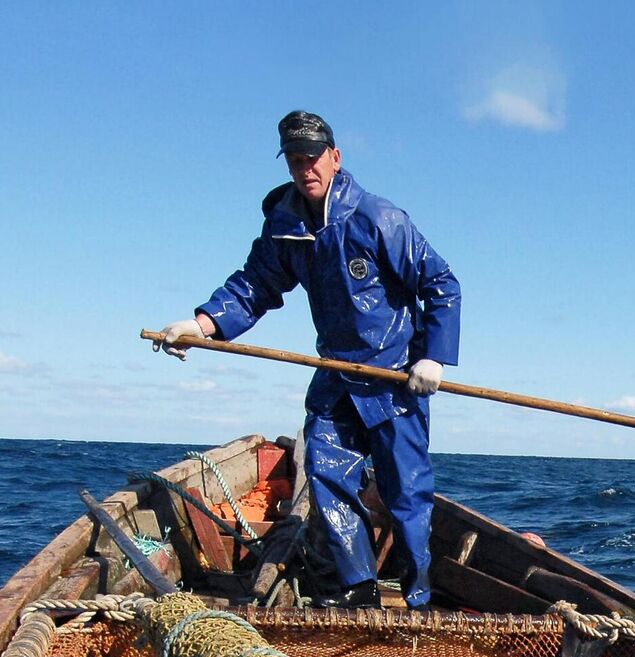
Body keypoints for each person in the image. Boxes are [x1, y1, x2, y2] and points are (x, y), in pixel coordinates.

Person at [160, 110, 460, 608]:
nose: (305, 170)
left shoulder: (381, 219)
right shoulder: (285, 222)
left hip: (393, 378)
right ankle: (359, 593)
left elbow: (442, 286)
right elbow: (255, 284)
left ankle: (419, 598)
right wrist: (203, 324)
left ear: (335, 158)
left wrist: (433, 357)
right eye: (296, 161)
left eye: (313, 158)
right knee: (324, 472)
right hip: (336, 375)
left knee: (406, 494)